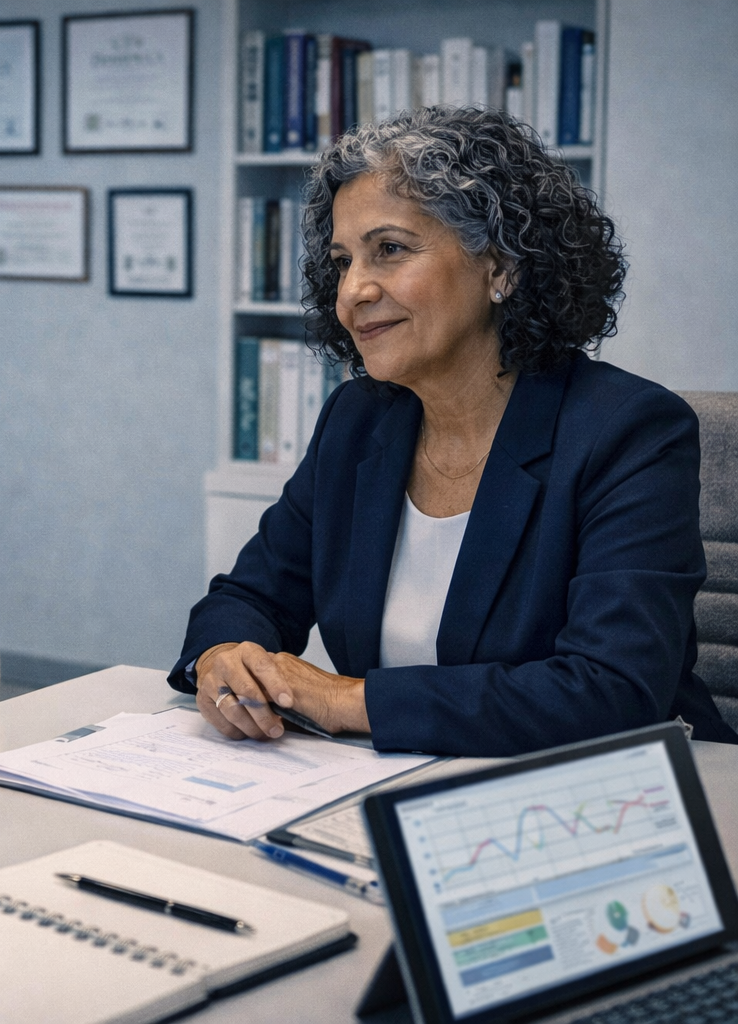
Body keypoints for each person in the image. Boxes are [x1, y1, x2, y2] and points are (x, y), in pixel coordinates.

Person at [172, 106, 738, 757]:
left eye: (389, 250)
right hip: (391, 777)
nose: (352, 290)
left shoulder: (628, 431)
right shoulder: (357, 420)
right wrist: (223, 657)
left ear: (501, 266)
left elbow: (610, 689)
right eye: (342, 261)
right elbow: (248, 596)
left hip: (597, 794)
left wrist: (341, 699)